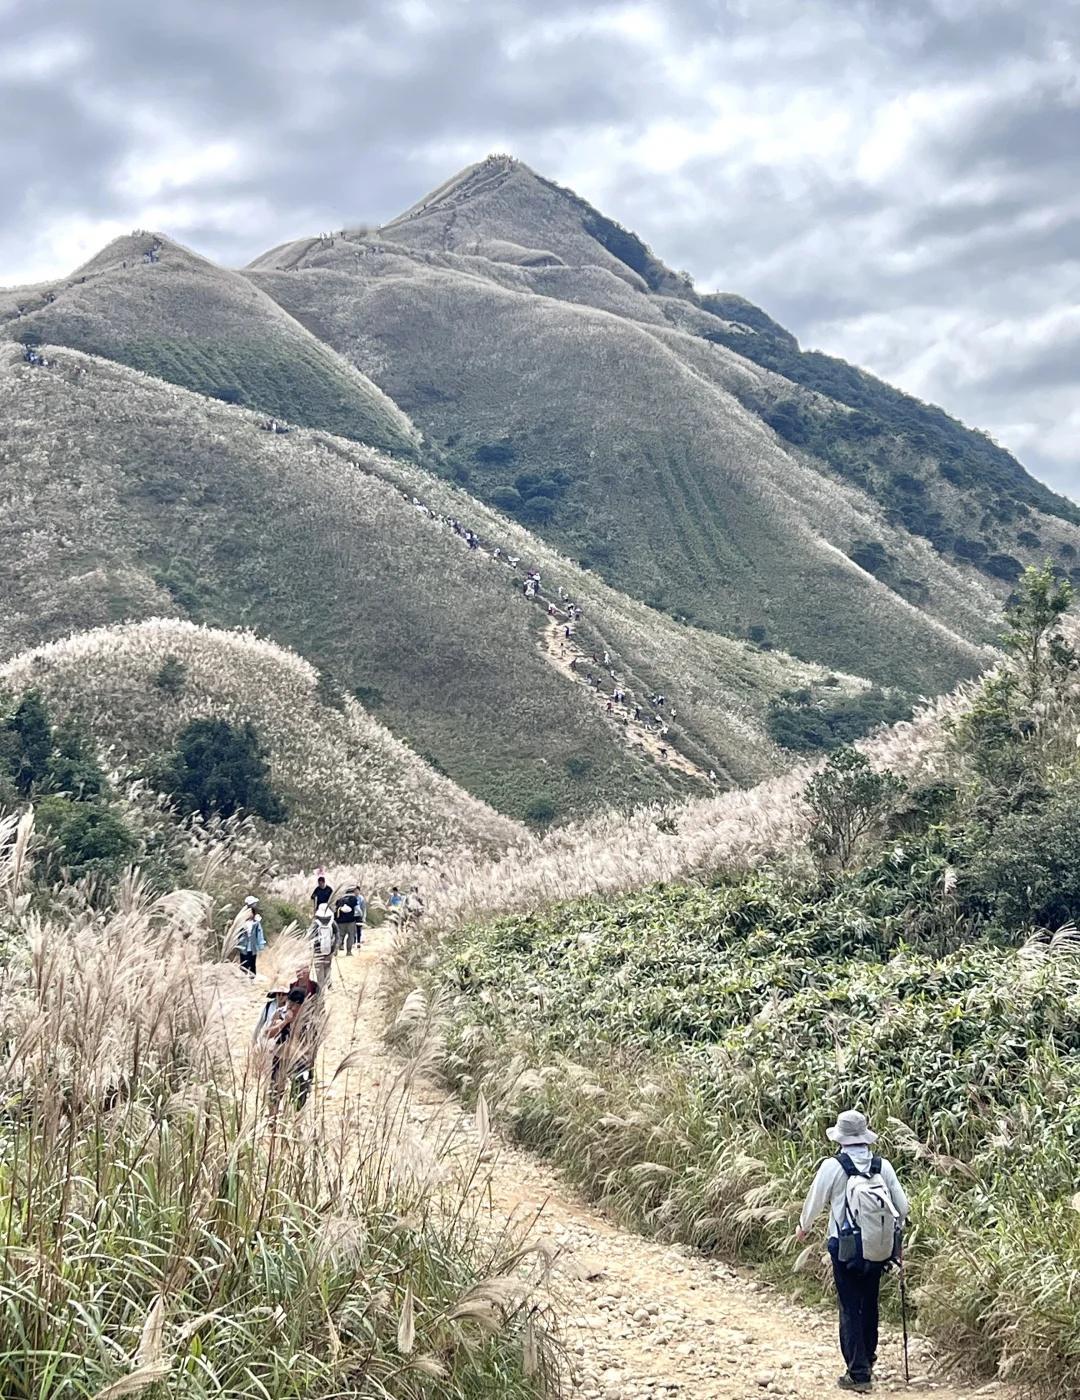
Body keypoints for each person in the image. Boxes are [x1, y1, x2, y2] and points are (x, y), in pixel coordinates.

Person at [797, 1110, 909, 1393]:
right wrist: (896, 1238)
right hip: (878, 1246)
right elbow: (902, 1207)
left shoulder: (833, 1166)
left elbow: (815, 1201)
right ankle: (868, 1359)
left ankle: (857, 1373)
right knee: (869, 1302)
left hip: (844, 1246)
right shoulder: (882, 1166)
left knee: (849, 1305)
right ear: (864, 1136)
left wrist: (803, 1227)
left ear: (841, 1138)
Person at [234, 897, 266, 977]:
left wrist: (261, 944)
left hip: (252, 946)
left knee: (252, 963)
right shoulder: (241, 920)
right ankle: (244, 979)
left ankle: (252, 978)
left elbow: (259, 933)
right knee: (244, 962)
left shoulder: (256, 921)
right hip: (243, 945)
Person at [334, 885, 365, 956]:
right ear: (352, 892)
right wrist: (361, 916)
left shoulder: (340, 899)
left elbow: (335, 909)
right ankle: (348, 952)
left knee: (340, 936)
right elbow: (358, 909)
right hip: (350, 921)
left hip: (340, 922)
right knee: (351, 936)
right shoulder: (353, 899)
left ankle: (335, 951)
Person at [309, 906, 336, 988]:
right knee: (327, 967)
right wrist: (335, 947)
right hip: (329, 950)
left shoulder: (315, 924)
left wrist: (310, 948)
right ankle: (328, 981)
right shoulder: (332, 923)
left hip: (318, 951)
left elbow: (310, 937)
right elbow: (337, 935)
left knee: (319, 968)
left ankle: (321, 985)